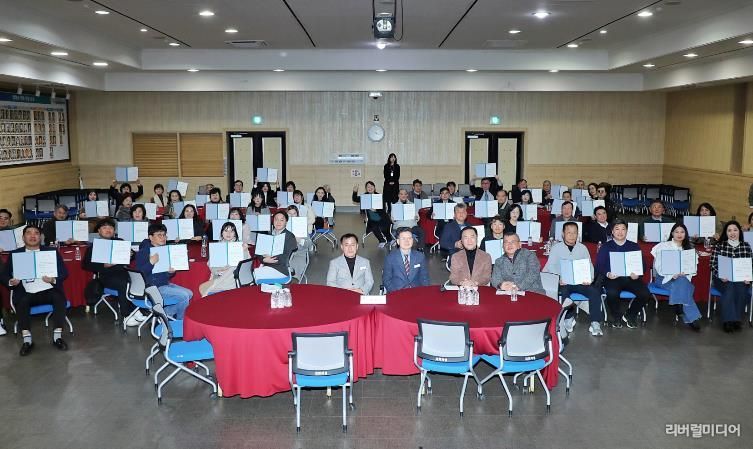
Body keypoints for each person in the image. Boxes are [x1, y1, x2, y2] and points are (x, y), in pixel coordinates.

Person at [1, 225, 69, 355]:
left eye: (36, 233)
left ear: (40, 237)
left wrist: (53, 279)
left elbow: (64, 272)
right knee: (22, 301)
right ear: (23, 237)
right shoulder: (15, 254)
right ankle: (27, 341)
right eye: (29, 233)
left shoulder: (51, 252)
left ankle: (57, 337)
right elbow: (4, 275)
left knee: (59, 298)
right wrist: (11, 281)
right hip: (26, 292)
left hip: (48, 290)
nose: (32, 236)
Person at [543, 222, 604, 336]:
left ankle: (595, 322)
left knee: (595, 292)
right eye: (569, 232)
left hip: (580, 281)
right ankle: (569, 318)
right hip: (564, 282)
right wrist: (559, 278)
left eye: (574, 233)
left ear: (578, 234)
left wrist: (589, 279)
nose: (572, 235)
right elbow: (551, 266)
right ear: (563, 234)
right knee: (564, 292)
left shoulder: (582, 248)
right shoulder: (556, 248)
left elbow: (589, 265)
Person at [83, 218, 144, 326]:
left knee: (137, 280)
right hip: (106, 275)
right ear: (99, 231)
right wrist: (103, 265)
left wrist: (131, 254)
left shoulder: (120, 241)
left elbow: (133, 255)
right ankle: (126, 315)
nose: (108, 230)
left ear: (114, 230)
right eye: (104, 228)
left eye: (110, 228)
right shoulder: (94, 246)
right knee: (124, 283)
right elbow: (86, 265)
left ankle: (135, 310)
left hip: (123, 272)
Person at [595, 218, 651, 328]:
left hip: (631, 278)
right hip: (613, 278)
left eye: (623, 229)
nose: (620, 232)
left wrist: (638, 274)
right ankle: (616, 316)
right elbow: (599, 265)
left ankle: (630, 314)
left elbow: (643, 265)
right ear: (612, 231)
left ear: (627, 231)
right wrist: (608, 273)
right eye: (617, 229)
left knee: (645, 294)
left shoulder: (634, 246)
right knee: (612, 293)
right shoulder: (606, 246)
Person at [650, 223, 702, 331]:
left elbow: (693, 270)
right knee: (685, 287)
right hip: (663, 279)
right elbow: (658, 267)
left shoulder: (689, 249)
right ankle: (691, 317)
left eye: (682, 232)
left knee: (682, 280)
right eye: (676, 232)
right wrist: (671, 275)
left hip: (681, 279)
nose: (679, 234)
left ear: (686, 234)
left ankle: (680, 306)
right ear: (672, 233)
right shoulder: (663, 246)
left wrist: (685, 273)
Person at [135, 223, 192, 319]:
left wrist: (170, 273)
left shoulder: (164, 250)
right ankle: (180, 322)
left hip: (163, 284)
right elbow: (140, 275)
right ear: (151, 237)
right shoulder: (143, 252)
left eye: (164, 235)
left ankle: (163, 314)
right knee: (184, 296)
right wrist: (151, 262)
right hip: (151, 288)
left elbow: (164, 275)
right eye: (159, 235)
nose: (163, 238)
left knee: (190, 294)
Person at [711, 221, 752, 332]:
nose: (732, 233)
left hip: (741, 279)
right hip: (722, 279)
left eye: (735, 230)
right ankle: (729, 321)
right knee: (729, 287)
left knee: (741, 289)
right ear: (726, 233)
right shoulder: (720, 246)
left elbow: (751, 265)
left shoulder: (746, 246)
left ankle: (735, 319)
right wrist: (720, 275)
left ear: (739, 232)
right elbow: (713, 264)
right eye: (729, 230)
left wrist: (749, 278)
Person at [199, 222, 249, 297]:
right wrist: (218, 271)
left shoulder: (240, 246)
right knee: (202, 288)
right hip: (219, 277)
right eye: (226, 231)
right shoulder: (217, 247)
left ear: (235, 234)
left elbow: (244, 266)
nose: (228, 233)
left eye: (231, 231)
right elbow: (212, 265)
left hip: (232, 279)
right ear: (222, 233)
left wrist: (244, 251)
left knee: (205, 290)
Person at [253, 211, 298, 281]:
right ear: (273, 221)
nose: (278, 222)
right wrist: (264, 259)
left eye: (282, 220)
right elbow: (259, 252)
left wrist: (271, 258)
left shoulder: (290, 236)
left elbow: (285, 256)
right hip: (267, 266)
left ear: (286, 222)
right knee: (252, 273)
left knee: (255, 274)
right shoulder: (269, 235)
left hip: (281, 269)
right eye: (276, 219)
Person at [382, 227, 429, 292]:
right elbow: (386, 280)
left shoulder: (420, 256)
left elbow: (424, 277)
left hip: (416, 292)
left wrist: (425, 291)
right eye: (403, 238)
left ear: (412, 240)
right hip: (397, 292)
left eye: (409, 238)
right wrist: (395, 293)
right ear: (398, 241)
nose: (407, 241)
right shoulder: (390, 258)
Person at [353, 182, 392, 248]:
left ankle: (389, 239)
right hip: (372, 219)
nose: (370, 188)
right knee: (373, 226)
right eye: (368, 187)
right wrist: (355, 191)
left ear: (374, 187)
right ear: (366, 189)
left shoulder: (379, 196)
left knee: (384, 226)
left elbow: (383, 209)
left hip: (382, 217)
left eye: (371, 186)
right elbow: (355, 199)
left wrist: (376, 210)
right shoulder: (365, 196)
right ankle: (381, 240)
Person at [285, 205, 313, 282]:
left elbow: (309, 244)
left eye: (294, 213)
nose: (292, 216)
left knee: (293, 270)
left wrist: (300, 240)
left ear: (297, 214)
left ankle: (293, 279)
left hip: (298, 254)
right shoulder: (282, 224)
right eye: (289, 213)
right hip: (284, 254)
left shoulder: (301, 225)